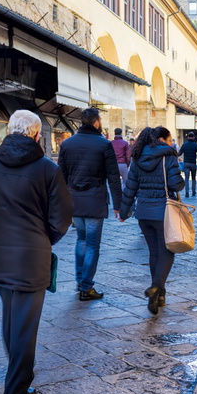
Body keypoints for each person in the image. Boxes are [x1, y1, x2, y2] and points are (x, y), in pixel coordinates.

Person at [0, 110, 73, 394]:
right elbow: (61, 219)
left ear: (8, 131)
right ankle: (16, 392)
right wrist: (43, 237)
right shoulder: (48, 169)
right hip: (31, 255)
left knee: (12, 317)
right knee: (24, 324)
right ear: (37, 135)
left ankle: (16, 376)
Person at [59, 108, 122, 301]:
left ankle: (80, 281)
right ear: (96, 122)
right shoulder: (104, 144)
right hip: (95, 200)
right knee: (93, 244)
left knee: (81, 239)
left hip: (74, 200)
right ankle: (86, 287)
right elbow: (113, 176)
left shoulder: (67, 144)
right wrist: (118, 204)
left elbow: (61, 175)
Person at [120, 127, 184, 314]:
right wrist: (179, 177)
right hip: (163, 212)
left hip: (143, 213)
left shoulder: (137, 158)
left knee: (154, 252)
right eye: (170, 139)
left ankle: (159, 296)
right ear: (162, 139)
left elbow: (130, 188)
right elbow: (176, 184)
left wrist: (124, 212)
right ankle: (156, 287)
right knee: (167, 252)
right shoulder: (169, 157)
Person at [178, 132, 197, 197]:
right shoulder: (196, 145)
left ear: (188, 137)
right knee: (193, 178)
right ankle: (193, 192)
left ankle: (187, 192)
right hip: (193, 164)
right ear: (193, 137)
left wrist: (172, 154)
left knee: (186, 178)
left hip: (186, 163)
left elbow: (179, 153)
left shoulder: (184, 145)